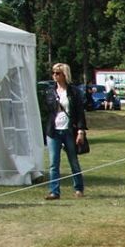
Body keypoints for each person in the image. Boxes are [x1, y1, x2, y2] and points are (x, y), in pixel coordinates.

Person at [41, 63, 87, 200]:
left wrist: (80, 131)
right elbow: (46, 111)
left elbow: (80, 112)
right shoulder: (50, 91)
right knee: (53, 163)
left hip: (68, 130)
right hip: (53, 130)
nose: (54, 75)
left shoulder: (74, 92)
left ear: (65, 75)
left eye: (57, 73)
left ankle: (78, 188)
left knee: (73, 160)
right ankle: (54, 191)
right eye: (53, 73)